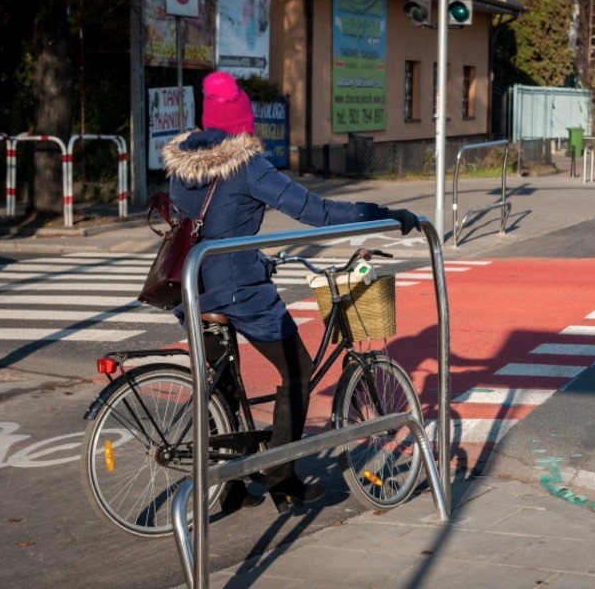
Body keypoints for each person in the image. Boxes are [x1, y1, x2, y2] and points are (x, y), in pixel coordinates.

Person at [161, 71, 420, 514]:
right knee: (297, 371)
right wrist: (383, 214)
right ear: (243, 122)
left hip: (191, 287)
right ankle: (280, 475)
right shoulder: (247, 165)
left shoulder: (181, 168)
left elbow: (208, 226)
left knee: (222, 388)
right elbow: (316, 211)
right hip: (240, 293)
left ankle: (231, 484)